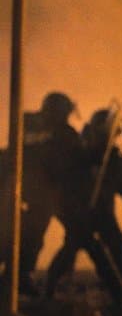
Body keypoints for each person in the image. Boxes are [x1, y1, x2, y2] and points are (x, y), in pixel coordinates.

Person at [45, 107, 122, 316]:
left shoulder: (110, 153)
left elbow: (119, 179)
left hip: (100, 210)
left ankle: (121, 290)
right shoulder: (77, 143)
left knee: (113, 245)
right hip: (80, 209)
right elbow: (77, 167)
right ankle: (118, 293)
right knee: (81, 247)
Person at [0, 92, 81, 296]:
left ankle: (18, 276)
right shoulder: (45, 128)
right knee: (25, 235)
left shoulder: (33, 123)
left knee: (27, 235)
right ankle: (18, 277)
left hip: (35, 192)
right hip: (31, 190)